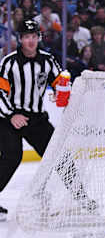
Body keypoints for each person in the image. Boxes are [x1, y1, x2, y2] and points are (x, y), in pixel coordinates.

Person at [0, 19, 66, 221]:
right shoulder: (9, 62)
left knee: (58, 155)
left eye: (33, 37)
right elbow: (0, 93)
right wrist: (12, 115)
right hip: (8, 118)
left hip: (36, 119)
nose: (30, 41)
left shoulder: (47, 60)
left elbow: (60, 82)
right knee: (12, 157)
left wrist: (62, 92)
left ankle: (81, 196)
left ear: (39, 38)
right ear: (20, 39)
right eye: (26, 37)